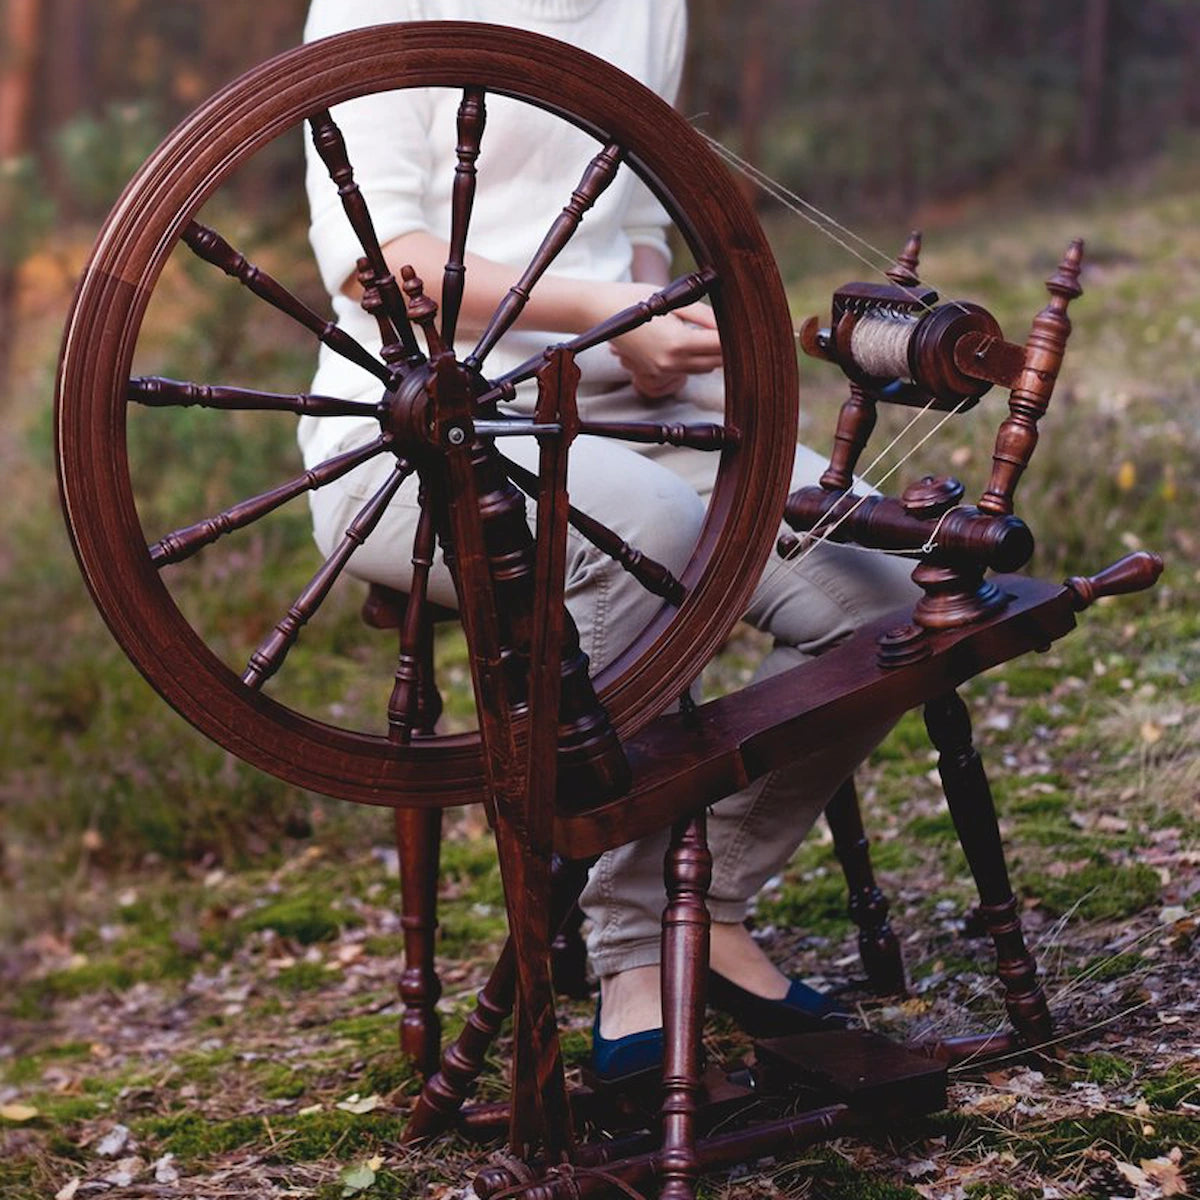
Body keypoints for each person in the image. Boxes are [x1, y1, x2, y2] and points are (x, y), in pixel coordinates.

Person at [302, 0, 917, 1079]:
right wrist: (608, 313)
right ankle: (635, 949)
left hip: (615, 408)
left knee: (884, 591)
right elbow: (377, 265)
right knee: (658, 533)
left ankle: (709, 906)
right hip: (425, 430)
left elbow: (629, 212)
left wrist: (650, 326)